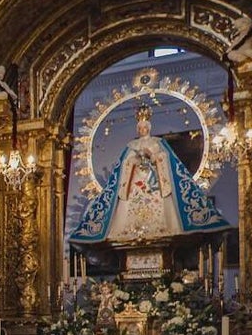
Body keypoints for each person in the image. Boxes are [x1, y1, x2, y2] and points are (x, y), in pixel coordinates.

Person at [70, 104, 229, 244]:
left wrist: (152, 156)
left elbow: (165, 159)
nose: (142, 130)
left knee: (160, 211)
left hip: (154, 182)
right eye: (139, 128)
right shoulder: (131, 145)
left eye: (144, 127)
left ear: (149, 128)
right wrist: (135, 159)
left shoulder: (158, 143)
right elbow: (124, 165)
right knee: (129, 211)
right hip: (135, 182)